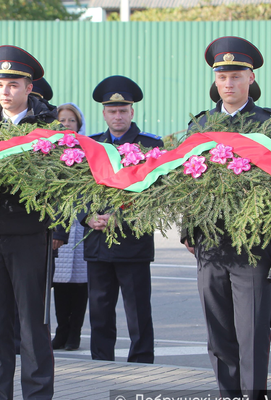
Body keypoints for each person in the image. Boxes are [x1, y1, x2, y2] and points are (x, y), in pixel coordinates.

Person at [182, 36, 271, 400]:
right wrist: (188, 229)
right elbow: (186, 181)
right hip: (210, 245)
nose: (229, 83)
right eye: (222, 76)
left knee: (253, 332)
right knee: (219, 332)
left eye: (236, 76)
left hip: (254, 245)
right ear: (215, 81)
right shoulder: (201, 124)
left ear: (251, 78)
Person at [0, 45, 57, 400]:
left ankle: (36, 394)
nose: (5, 92)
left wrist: (59, 231)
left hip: (30, 237)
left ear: (29, 87)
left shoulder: (49, 129)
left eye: (13, 85)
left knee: (32, 326)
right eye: (0, 85)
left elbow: (66, 183)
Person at [82, 76, 163, 364]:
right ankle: (100, 361)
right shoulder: (90, 145)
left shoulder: (150, 146)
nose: (117, 116)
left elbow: (156, 194)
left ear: (132, 112)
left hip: (132, 244)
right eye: (111, 111)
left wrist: (120, 218)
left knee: (138, 311)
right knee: (100, 311)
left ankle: (141, 362)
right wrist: (88, 217)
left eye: (123, 110)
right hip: (98, 244)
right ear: (103, 114)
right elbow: (78, 190)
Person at [51, 103, 88, 351]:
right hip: (59, 225)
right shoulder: (49, 152)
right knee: (60, 281)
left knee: (80, 282)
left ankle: (75, 332)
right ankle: (61, 329)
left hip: (83, 223)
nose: (66, 125)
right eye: (62, 120)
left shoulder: (89, 149)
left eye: (71, 121)